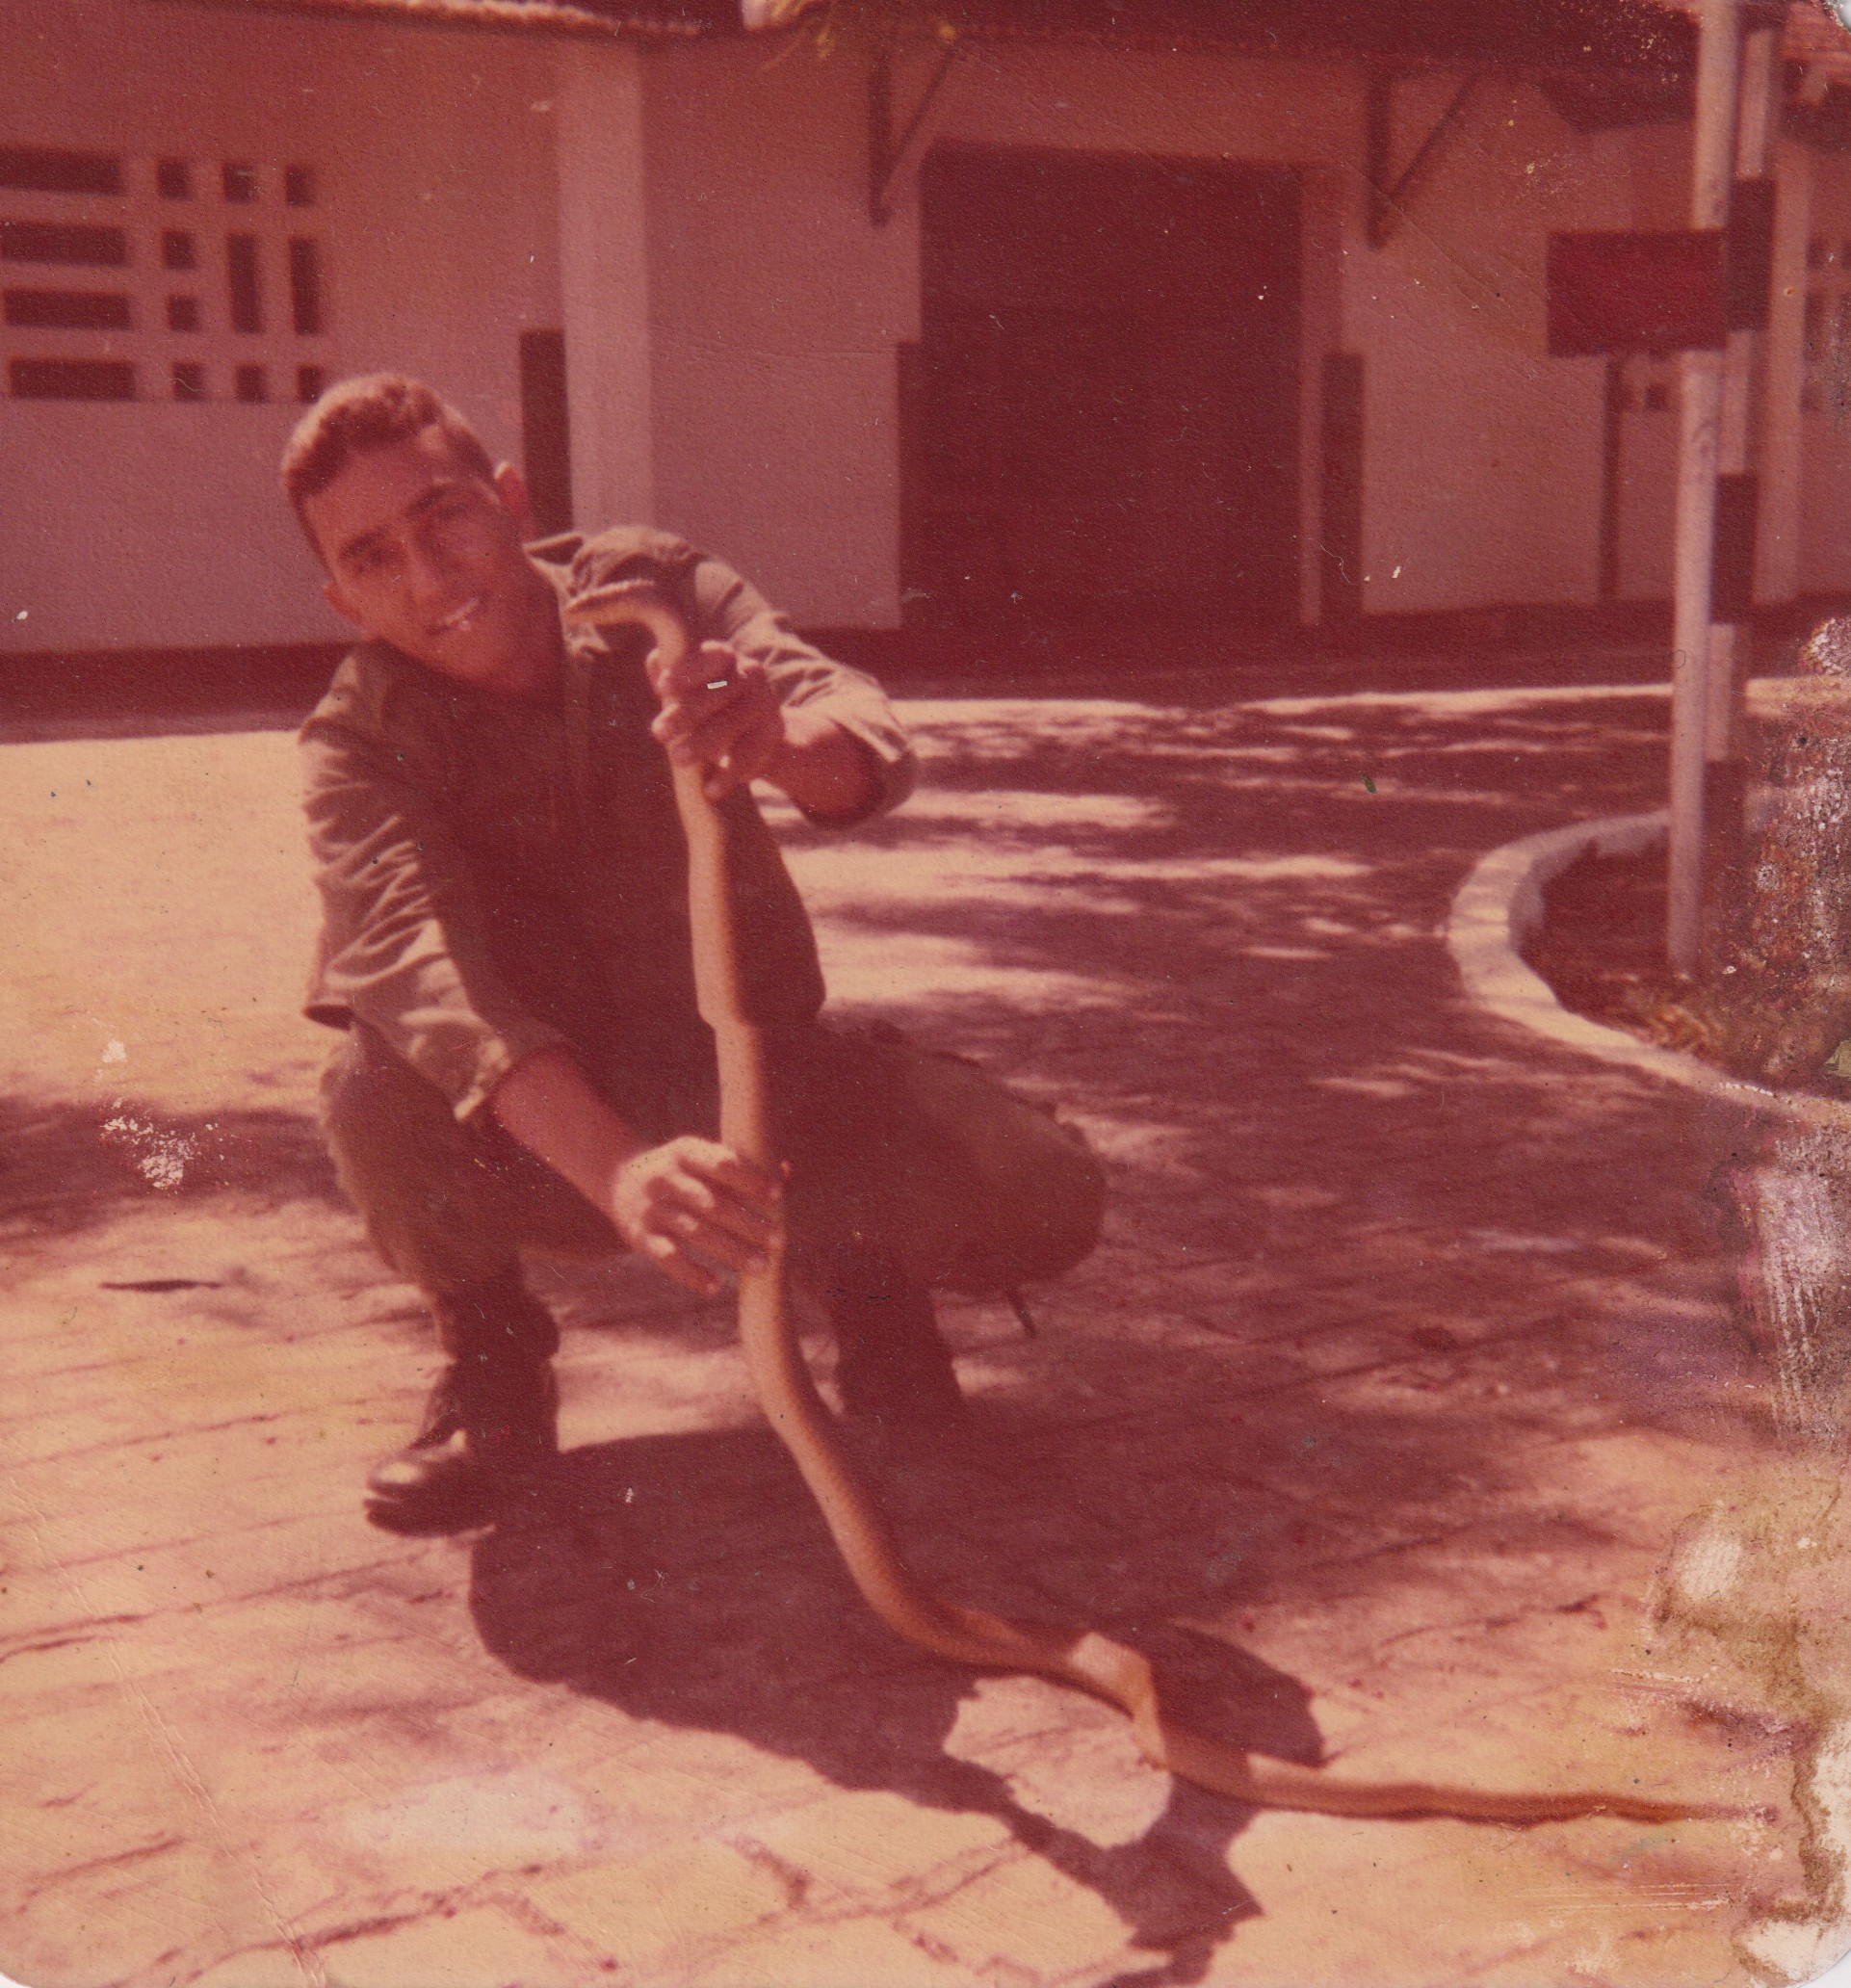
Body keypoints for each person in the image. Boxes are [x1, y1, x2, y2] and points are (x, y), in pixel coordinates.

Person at [282, 374, 1103, 1534]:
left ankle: (867, 1284)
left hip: (763, 1094)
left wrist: (776, 740)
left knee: (1043, 1191)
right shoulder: (360, 742)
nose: (429, 579)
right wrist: (619, 1167)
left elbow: (853, 723)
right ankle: (492, 1362)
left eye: (444, 519)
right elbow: (417, 964)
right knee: (377, 1088)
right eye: (373, 559)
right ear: (341, 601)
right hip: (554, 1137)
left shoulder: (647, 594)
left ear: (510, 501)